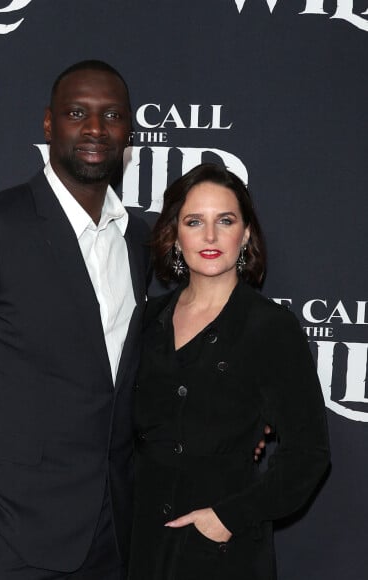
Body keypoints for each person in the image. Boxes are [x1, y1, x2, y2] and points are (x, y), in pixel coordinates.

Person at [0, 60, 149, 580]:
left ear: (129, 131)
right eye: (77, 112)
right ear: (48, 123)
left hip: (114, 537)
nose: (94, 129)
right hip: (7, 540)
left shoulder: (139, 242)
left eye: (111, 116)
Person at [128, 163, 330, 580]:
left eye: (225, 220)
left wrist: (228, 517)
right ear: (174, 234)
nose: (210, 236)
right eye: (194, 221)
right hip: (140, 544)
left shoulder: (270, 327)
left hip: (222, 553)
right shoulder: (148, 319)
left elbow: (308, 454)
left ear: (247, 233)